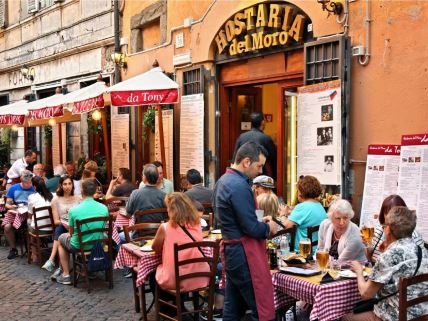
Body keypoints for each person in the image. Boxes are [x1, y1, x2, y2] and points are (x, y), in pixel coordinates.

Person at [213, 141, 277, 321]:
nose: (261, 171)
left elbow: (237, 219)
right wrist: (268, 227)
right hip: (244, 253)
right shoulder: (239, 185)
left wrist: (257, 222)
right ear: (246, 162)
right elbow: (250, 227)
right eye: (259, 166)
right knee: (262, 309)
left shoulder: (223, 181)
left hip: (233, 250)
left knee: (233, 308)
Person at [342, 207, 428, 321]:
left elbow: (365, 294)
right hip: (421, 315)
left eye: (384, 226)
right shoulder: (422, 251)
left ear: (387, 229)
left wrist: (358, 271)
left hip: (392, 317)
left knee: (345, 317)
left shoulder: (388, 256)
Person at [54, 179, 109, 285]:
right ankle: (88, 269)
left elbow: (71, 232)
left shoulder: (74, 210)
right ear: (95, 192)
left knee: (61, 239)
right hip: (99, 243)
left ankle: (66, 275)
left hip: (79, 245)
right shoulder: (104, 208)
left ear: (82, 191)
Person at [153, 192, 209, 291]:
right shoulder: (197, 224)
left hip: (176, 280)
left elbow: (155, 248)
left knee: (154, 274)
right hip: (201, 276)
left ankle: (172, 304)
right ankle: (180, 303)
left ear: (171, 209)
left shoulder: (165, 227)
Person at [367, 195, 424, 263]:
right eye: (387, 213)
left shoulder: (414, 236)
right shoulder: (380, 229)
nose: (390, 217)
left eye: (395, 213)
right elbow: (370, 259)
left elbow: (418, 265)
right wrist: (368, 244)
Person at [43, 176, 81, 275]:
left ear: (73, 185)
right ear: (61, 185)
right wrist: (66, 221)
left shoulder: (78, 198)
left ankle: (52, 260)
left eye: (69, 183)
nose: (67, 186)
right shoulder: (55, 200)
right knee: (60, 229)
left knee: (59, 234)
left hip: (77, 227)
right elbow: (56, 221)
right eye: (65, 184)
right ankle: (59, 267)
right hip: (63, 225)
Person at [278, 175, 326, 252]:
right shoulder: (319, 205)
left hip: (301, 252)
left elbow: (286, 227)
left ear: (300, 192)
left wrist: (283, 214)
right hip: (316, 250)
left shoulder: (302, 207)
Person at [233, 112, 277, 179]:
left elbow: (235, 158)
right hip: (261, 177)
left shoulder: (241, 137)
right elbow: (274, 160)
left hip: (243, 175)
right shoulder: (266, 139)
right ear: (262, 122)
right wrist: (275, 177)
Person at [3, 170, 35, 259]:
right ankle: (13, 249)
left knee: (31, 225)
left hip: (31, 214)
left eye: (29, 182)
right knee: (7, 227)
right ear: (21, 180)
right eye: (25, 182)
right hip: (18, 212)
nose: (28, 184)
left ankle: (32, 249)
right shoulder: (14, 188)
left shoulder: (34, 188)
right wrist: (14, 207)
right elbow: (7, 204)